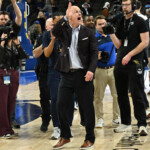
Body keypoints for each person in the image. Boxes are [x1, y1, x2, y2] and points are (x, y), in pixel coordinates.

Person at [52, 2, 98, 150]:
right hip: (67, 75)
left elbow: (94, 55)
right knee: (60, 105)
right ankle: (65, 136)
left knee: (87, 108)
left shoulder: (88, 32)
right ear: (70, 16)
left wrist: (91, 70)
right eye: (75, 11)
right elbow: (54, 31)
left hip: (83, 75)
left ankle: (89, 138)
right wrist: (64, 17)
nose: (79, 13)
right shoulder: (64, 30)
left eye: (79, 11)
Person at [110, 0, 149, 135]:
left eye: (127, 4)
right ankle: (125, 122)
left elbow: (145, 42)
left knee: (137, 93)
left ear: (133, 6)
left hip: (134, 62)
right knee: (121, 94)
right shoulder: (121, 21)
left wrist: (130, 55)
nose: (124, 7)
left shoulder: (140, 21)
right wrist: (111, 33)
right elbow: (118, 45)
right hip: (120, 61)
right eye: (123, 5)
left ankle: (142, 124)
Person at [0, 0, 29, 138]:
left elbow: (19, 17)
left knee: (11, 101)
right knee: (2, 101)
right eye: (1, 19)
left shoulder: (12, 30)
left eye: (6, 18)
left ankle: (8, 127)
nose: (4, 21)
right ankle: (4, 130)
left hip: (13, 72)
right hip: (1, 71)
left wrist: (13, 2)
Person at [94, 15, 120, 128]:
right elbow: (88, 54)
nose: (102, 26)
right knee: (98, 97)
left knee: (117, 95)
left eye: (104, 23)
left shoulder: (112, 35)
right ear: (95, 26)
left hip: (114, 69)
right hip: (100, 70)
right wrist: (97, 56)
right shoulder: (93, 37)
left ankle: (116, 117)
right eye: (99, 24)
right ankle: (99, 119)